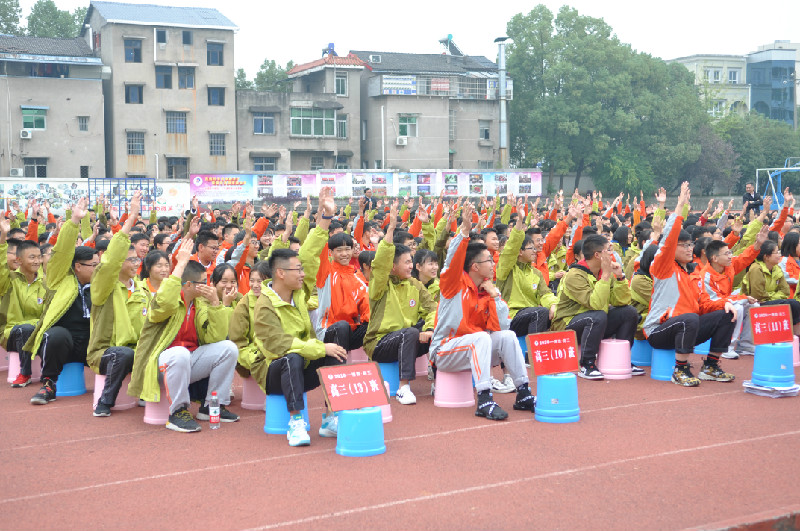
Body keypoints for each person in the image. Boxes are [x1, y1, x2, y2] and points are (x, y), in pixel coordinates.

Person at [249, 188, 347, 447]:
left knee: (335, 351)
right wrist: (318, 347)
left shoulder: (298, 291)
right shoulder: (264, 306)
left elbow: (310, 253)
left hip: (305, 361)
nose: (303, 274)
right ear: (280, 274)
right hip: (274, 371)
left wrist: (326, 216)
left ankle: (329, 417)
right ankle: (295, 421)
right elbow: (281, 345)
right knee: (290, 357)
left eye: (302, 270)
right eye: (297, 270)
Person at [430, 201, 534, 421]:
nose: (493, 263)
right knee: (480, 338)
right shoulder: (453, 285)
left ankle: (523, 393)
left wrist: (495, 297)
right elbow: (451, 263)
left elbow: (501, 326)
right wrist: (464, 231)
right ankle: (485, 398)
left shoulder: (486, 289)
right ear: (474, 267)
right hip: (445, 351)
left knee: (507, 336)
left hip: (475, 349)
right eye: (488, 260)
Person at [128, 238, 240, 433]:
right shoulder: (167, 301)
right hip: (158, 364)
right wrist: (180, 264)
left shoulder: (201, 303)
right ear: (188, 285)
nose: (208, 286)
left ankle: (212, 406)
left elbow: (215, 338)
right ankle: (178, 412)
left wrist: (217, 306)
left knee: (228, 349)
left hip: (187, 361)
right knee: (180, 353)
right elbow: (164, 299)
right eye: (202, 283)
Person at [644, 182, 737, 387]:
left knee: (727, 314)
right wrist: (679, 208)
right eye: (684, 245)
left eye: (690, 245)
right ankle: (680, 370)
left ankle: (711, 366)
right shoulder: (663, 268)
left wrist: (725, 304)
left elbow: (703, 304)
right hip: (659, 331)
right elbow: (667, 241)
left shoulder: (694, 271)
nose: (689, 249)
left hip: (688, 327)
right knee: (689, 319)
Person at [24, 198, 98, 405]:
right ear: (78, 266)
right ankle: (48, 384)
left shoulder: (100, 285)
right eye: (93, 265)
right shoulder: (59, 279)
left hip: (91, 341)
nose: (97, 269)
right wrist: (74, 221)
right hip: (64, 340)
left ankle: (116, 391)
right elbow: (63, 252)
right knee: (56, 335)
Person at [364, 200, 437, 405]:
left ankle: (438, 381)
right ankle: (403, 387)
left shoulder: (414, 284)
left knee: (440, 328)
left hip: (408, 338)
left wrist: (430, 328)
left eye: (411, 261)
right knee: (411, 332)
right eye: (406, 262)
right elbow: (380, 264)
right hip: (381, 342)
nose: (410, 265)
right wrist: (391, 229)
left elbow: (432, 308)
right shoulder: (381, 284)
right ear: (392, 265)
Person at [87, 192, 151, 416]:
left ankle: (152, 395)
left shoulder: (143, 288)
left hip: (138, 351)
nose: (136, 263)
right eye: (131, 259)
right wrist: (131, 218)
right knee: (123, 354)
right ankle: (105, 401)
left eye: (137, 259)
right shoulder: (105, 286)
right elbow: (111, 260)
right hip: (105, 352)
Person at [551, 233, 640, 379]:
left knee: (628, 312)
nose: (612, 254)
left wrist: (619, 278)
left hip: (596, 321)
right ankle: (587, 364)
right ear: (598, 255)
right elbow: (595, 304)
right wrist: (606, 275)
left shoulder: (604, 272)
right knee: (597, 316)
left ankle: (622, 358)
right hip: (567, 324)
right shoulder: (574, 275)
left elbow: (621, 302)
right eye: (608, 250)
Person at [699, 228, 768, 359]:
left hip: (726, 302)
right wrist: (740, 299)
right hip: (710, 310)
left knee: (753, 306)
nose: (730, 256)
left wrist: (758, 244)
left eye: (730, 252)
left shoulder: (728, 266)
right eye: (726, 254)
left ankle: (746, 344)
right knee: (737, 307)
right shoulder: (705, 276)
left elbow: (744, 258)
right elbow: (711, 303)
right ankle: (727, 346)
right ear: (714, 258)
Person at [0, 223, 46, 388]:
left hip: (39, 331)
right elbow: (1, 269)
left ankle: (48, 374)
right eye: (32, 257)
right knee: (24, 329)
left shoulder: (45, 282)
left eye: (39, 257)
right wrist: (3, 239)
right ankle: (25, 373)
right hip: (11, 332)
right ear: (19, 260)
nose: (37, 261)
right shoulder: (9, 280)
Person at [313, 230, 370, 352]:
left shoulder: (357, 277)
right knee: (342, 326)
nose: (344, 254)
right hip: (327, 329)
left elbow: (367, 304)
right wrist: (326, 217)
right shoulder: (326, 272)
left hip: (350, 330)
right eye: (339, 250)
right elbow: (319, 250)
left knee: (374, 321)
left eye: (347, 249)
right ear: (331, 252)